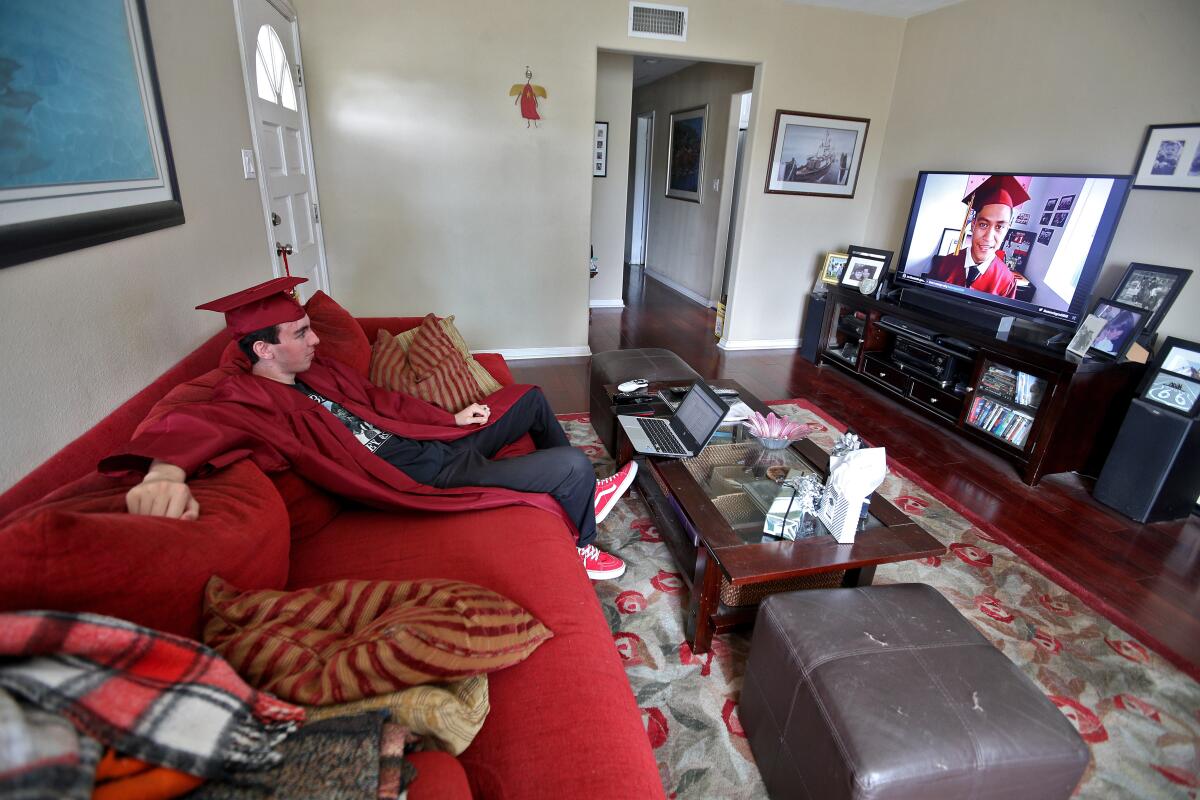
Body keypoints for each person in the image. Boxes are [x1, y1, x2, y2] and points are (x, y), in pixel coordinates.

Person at [102, 277, 637, 580]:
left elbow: (384, 401)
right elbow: (198, 420)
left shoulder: (319, 370)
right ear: (263, 348)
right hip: (421, 475)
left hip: (431, 442)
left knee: (530, 399)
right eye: (301, 332)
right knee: (567, 466)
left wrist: (449, 419)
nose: (315, 341)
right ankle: (581, 544)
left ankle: (586, 489)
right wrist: (163, 474)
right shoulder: (249, 397)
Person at [926, 175, 1030, 299]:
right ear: (973, 225)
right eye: (983, 224)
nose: (989, 237)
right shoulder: (945, 264)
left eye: (1000, 227)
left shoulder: (1007, 282)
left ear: (1007, 229)